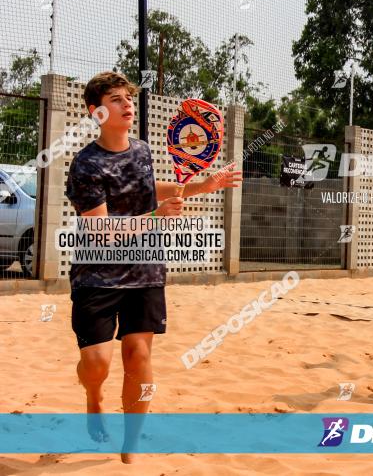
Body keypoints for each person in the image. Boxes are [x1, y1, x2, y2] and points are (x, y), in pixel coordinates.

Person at [64, 71, 241, 463]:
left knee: (138, 357)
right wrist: (158, 217)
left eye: (128, 97)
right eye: (115, 99)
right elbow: (100, 232)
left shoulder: (142, 152)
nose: (128, 104)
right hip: (98, 272)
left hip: (144, 270)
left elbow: (147, 190)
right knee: (96, 364)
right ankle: (94, 398)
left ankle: (132, 439)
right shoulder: (85, 164)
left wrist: (200, 186)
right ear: (96, 113)